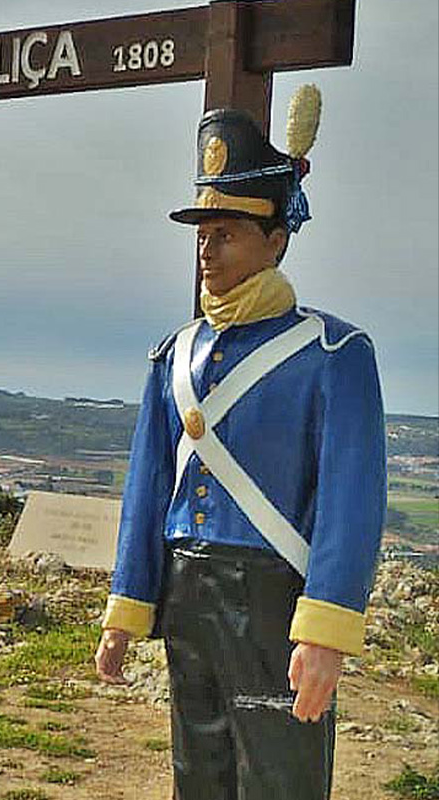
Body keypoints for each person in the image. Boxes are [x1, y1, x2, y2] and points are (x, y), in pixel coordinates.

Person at [94, 86, 386, 800]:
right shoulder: (176, 355)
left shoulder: (333, 352)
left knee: (280, 778)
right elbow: (147, 487)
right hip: (187, 591)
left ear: (275, 239)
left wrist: (324, 633)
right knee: (200, 771)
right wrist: (127, 609)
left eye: (225, 232)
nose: (206, 248)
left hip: (273, 598)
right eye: (202, 232)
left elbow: (350, 505)